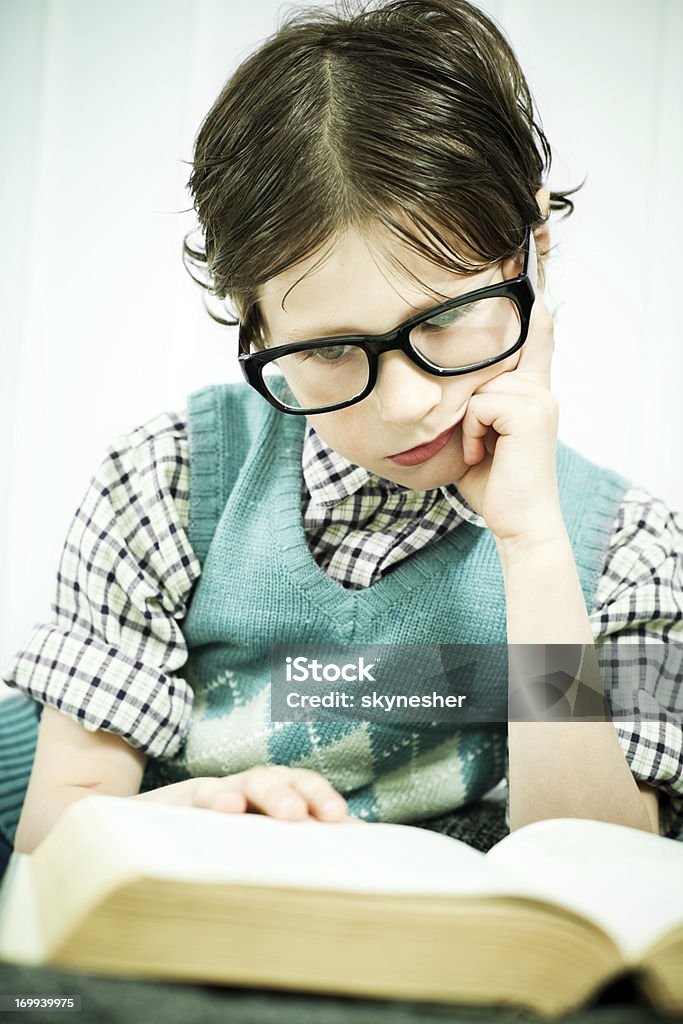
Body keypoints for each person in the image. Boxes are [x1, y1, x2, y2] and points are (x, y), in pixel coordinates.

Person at [1, 0, 681, 878]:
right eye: (327, 349)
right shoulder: (166, 484)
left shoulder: (627, 547)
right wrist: (199, 813)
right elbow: (52, 832)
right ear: (252, 325)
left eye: (448, 321)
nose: (405, 404)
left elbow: (609, 877)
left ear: (535, 260)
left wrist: (535, 550)